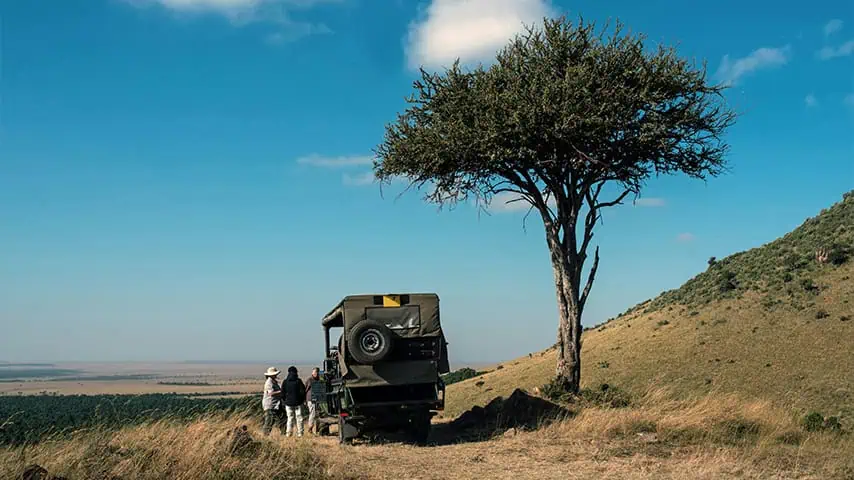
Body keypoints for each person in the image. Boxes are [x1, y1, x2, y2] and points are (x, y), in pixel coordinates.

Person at [282, 366, 306, 437]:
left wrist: (285, 400)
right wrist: (301, 400)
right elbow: (303, 392)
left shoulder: (285, 382)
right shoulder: (299, 381)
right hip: (298, 403)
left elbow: (282, 393)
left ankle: (289, 433)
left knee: (290, 418)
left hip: (288, 403)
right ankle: (300, 433)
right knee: (299, 418)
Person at [261, 366, 284, 436]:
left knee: (281, 419)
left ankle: (283, 433)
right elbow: (271, 393)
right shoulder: (269, 382)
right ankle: (265, 435)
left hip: (275, 404)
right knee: (269, 421)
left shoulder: (273, 382)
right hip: (270, 405)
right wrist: (281, 392)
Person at [304, 367, 321, 434]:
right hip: (311, 399)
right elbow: (305, 390)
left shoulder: (319, 380)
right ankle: (310, 429)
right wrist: (305, 400)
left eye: (317, 372)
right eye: (315, 372)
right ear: (312, 373)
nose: (316, 374)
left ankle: (317, 430)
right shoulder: (309, 380)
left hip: (317, 399)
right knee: (312, 414)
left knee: (318, 414)